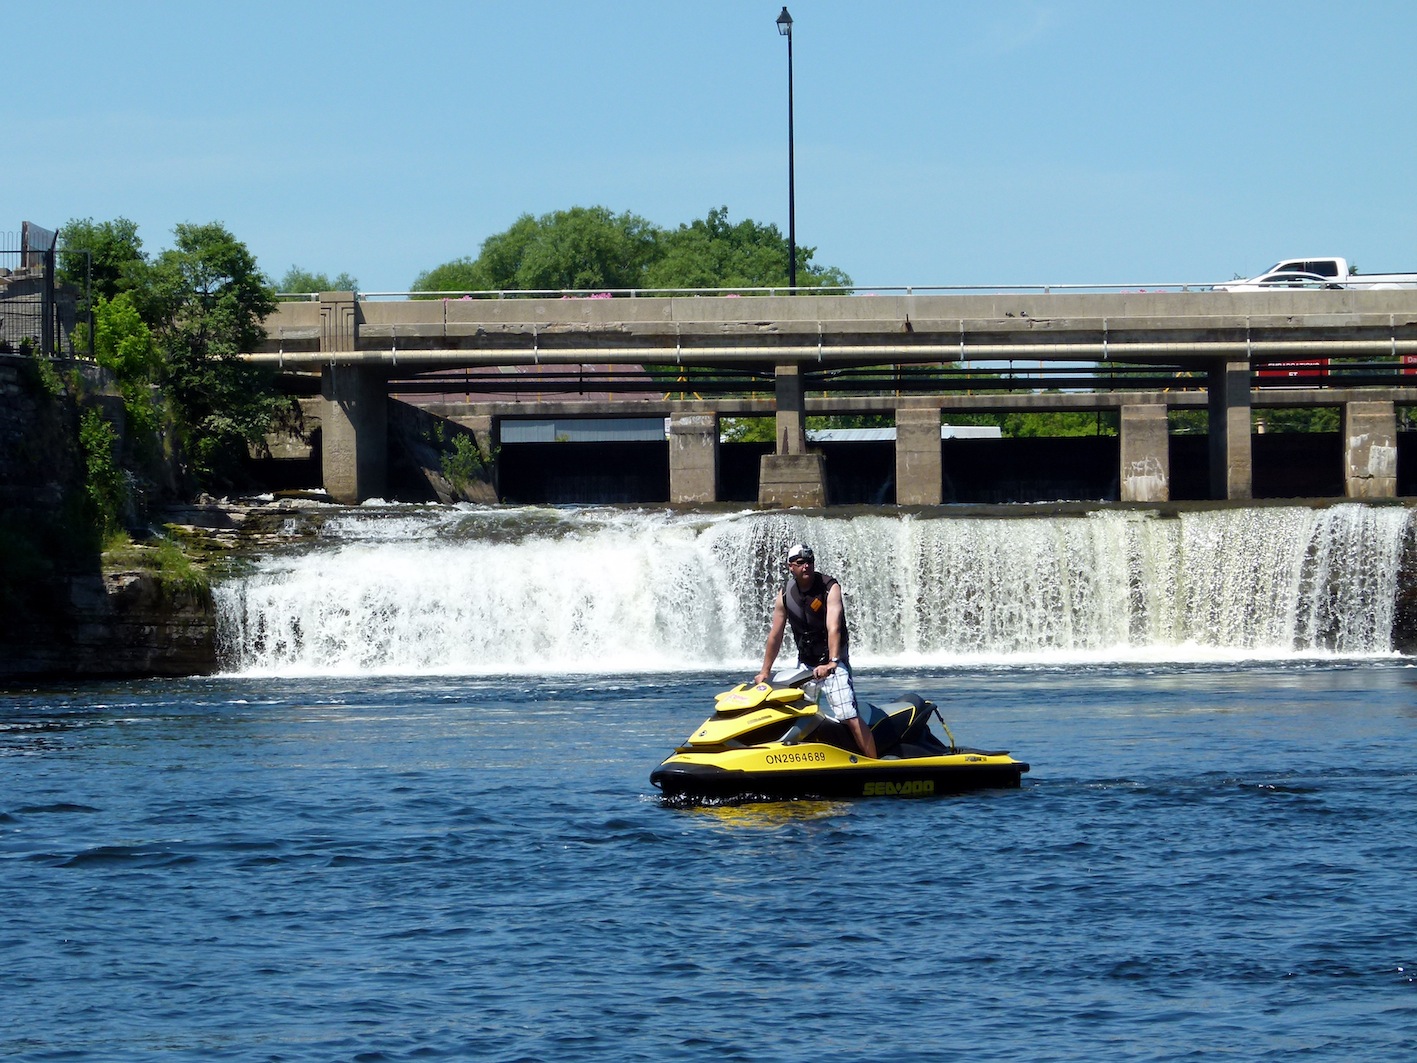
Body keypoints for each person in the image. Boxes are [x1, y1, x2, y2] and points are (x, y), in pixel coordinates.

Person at [754, 543, 878, 760]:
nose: (806, 567)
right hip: (806, 664)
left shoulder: (830, 587)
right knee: (800, 715)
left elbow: (834, 626)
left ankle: (874, 764)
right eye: (800, 563)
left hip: (832, 662)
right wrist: (765, 671)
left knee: (848, 714)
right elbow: (776, 634)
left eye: (809, 562)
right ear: (790, 566)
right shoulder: (785, 595)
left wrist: (832, 661)